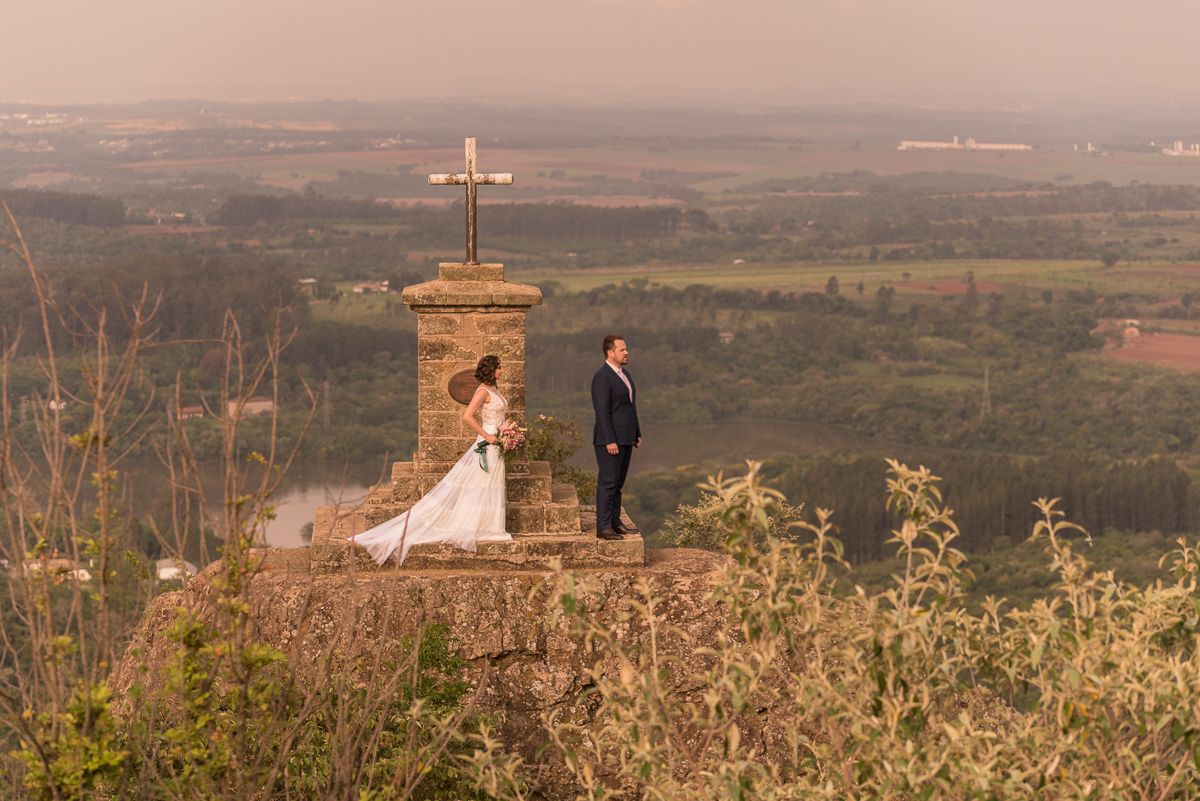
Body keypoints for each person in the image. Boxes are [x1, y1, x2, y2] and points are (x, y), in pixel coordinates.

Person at [349, 355, 512, 565]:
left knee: (491, 483)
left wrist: (508, 433)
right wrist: (487, 435)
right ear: (491, 370)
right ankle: (475, 526)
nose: (502, 371)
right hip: (489, 441)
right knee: (482, 482)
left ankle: (489, 526)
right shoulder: (483, 391)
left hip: (498, 440)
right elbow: (467, 416)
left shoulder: (495, 389)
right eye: (499, 368)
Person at [591, 334, 642, 541]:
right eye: (622, 349)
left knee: (618, 483)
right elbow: (602, 412)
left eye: (626, 349)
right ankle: (603, 527)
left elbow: (631, 406)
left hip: (626, 437)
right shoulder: (602, 377)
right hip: (609, 441)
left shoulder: (625, 374)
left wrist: (637, 433)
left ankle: (615, 522)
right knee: (608, 482)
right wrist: (610, 439)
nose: (626, 352)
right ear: (610, 353)